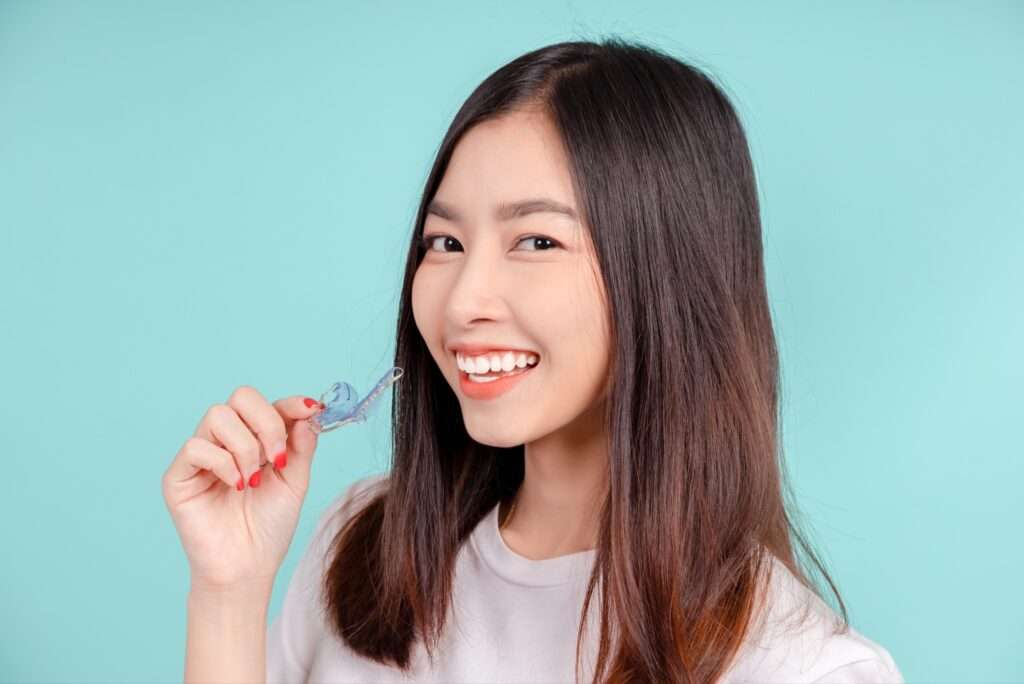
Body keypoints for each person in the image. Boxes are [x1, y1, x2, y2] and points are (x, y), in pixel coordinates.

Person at [163, 37, 905, 683]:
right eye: (444, 244)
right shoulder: (361, 545)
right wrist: (228, 594)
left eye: (537, 241)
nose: (462, 301)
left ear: (673, 274)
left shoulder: (805, 670)